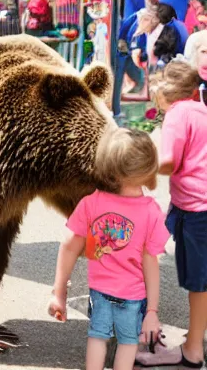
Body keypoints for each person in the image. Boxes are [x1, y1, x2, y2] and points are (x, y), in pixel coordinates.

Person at [47, 128, 168, 370]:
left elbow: (69, 246)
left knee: (98, 336)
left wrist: (59, 292)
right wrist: (152, 310)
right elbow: (150, 263)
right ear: (147, 170)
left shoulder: (91, 203)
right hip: (133, 296)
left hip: (99, 292)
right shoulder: (151, 212)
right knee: (127, 343)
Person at [134, 60, 207, 368]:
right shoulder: (201, 110)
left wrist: (136, 167)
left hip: (195, 209)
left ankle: (192, 350)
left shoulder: (178, 114)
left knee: (198, 283)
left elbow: (170, 161)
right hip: (191, 205)